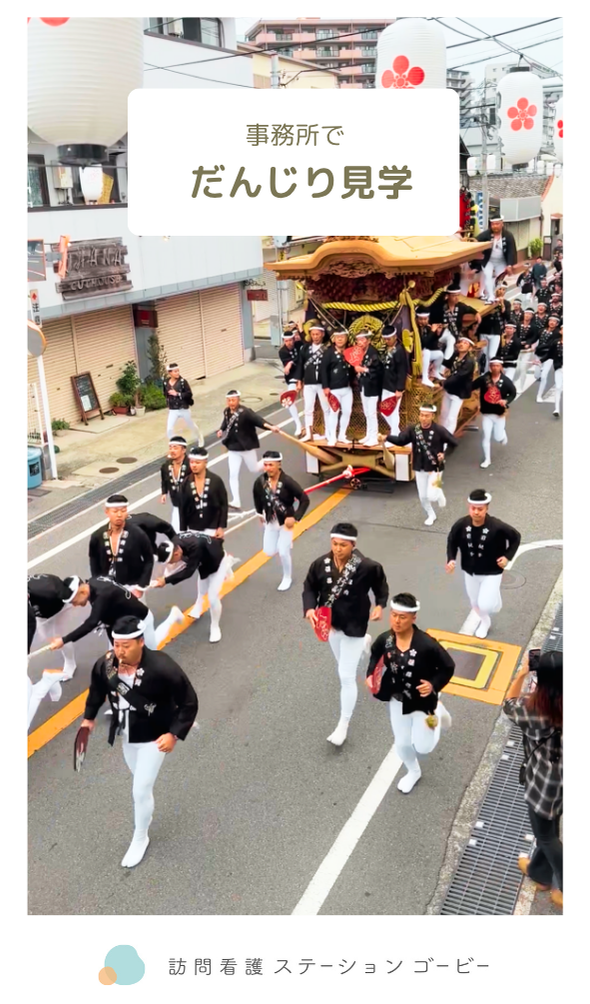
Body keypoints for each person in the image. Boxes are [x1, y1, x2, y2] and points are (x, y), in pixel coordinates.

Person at [79, 615, 198, 868]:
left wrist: (173, 734)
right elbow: (96, 692)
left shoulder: (163, 667)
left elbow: (189, 702)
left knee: (139, 790)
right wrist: (88, 719)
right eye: (116, 644)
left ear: (141, 642)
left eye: (126, 645)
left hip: (155, 736)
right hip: (126, 734)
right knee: (140, 784)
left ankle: (140, 837)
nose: (119, 651)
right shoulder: (106, 665)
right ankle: (145, 809)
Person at [302, 522, 388, 747]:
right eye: (334, 543)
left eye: (343, 545)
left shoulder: (368, 566)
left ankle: (343, 725)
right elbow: (309, 587)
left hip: (355, 626)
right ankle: (364, 647)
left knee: (346, 676)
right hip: (330, 625)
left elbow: (380, 587)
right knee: (342, 664)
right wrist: (310, 608)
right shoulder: (320, 564)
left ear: (353, 545)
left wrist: (380, 605)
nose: (337, 548)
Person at [366, 593, 455, 793]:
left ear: (414, 618)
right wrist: (371, 675)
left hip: (422, 701)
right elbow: (375, 657)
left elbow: (448, 666)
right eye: (394, 615)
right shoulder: (386, 640)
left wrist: (433, 685)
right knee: (403, 743)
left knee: (424, 747)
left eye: (402, 617)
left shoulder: (427, 644)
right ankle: (413, 771)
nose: (396, 621)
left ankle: (438, 713)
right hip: (397, 699)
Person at [503, 650, 562, 908]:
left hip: (544, 783)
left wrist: (522, 673)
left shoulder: (535, 710)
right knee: (548, 828)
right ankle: (540, 872)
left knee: (546, 834)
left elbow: (508, 702)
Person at [446, 489, 521, 638]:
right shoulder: (461, 524)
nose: (476, 512)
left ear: (487, 508)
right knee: (475, 603)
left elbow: (516, 537)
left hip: (492, 571)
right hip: (470, 571)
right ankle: (485, 620)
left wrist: (507, 557)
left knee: (485, 605)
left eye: (480, 509)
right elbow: (452, 540)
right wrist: (451, 559)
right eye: (473, 508)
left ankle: (488, 612)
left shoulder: (497, 526)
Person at [49, 577, 184, 652]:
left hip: (141, 620)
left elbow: (91, 623)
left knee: (151, 651)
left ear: (83, 593)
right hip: (121, 623)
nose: (75, 605)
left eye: (74, 601)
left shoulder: (102, 595)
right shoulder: (93, 582)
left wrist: (63, 640)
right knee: (118, 655)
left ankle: (172, 617)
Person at [383, 404, 457, 526]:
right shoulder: (414, 429)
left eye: (427, 416)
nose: (423, 418)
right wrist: (387, 437)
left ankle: (438, 492)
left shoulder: (439, 430)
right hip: (419, 466)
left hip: (436, 467)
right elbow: (401, 441)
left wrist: (444, 454)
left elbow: (454, 442)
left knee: (432, 495)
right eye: (422, 415)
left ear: (432, 416)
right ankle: (431, 514)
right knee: (423, 496)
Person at [153, 532, 231, 643]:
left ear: (176, 554)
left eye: (171, 562)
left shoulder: (195, 548)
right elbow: (179, 566)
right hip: (203, 561)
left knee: (213, 598)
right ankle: (198, 605)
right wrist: (164, 577)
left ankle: (215, 626)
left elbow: (188, 572)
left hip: (217, 562)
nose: (171, 564)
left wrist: (166, 580)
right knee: (203, 584)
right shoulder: (175, 543)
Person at [253, 449, 310, 591]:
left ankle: (287, 577)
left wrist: (295, 517)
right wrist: (259, 513)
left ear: (279, 464)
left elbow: (304, 499)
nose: (268, 468)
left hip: (286, 521)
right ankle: (285, 543)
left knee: (283, 551)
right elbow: (257, 497)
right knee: (269, 551)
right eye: (265, 465)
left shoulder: (287, 482)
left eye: (271, 465)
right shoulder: (260, 481)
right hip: (271, 521)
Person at [217, 390, 279, 510]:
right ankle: (236, 500)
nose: (231, 403)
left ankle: (268, 460)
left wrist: (271, 427)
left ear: (238, 400)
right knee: (233, 474)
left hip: (246, 447)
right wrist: (221, 430)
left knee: (254, 469)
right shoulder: (226, 412)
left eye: (233, 400)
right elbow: (225, 423)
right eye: (229, 400)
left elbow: (259, 421)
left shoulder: (246, 412)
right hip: (233, 448)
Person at [89, 495, 154, 597]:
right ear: (107, 512)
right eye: (115, 511)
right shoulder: (98, 535)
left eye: (123, 511)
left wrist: (141, 586)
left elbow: (149, 559)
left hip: (132, 585)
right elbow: (94, 560)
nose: (119, 515)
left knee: (137, 612)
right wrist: (96, 584)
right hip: (108, 586)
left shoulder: (138, 534)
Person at [27, 573, 81, 678]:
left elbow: (30, 623)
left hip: (58, 606)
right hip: (41, 608)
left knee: (59, 637)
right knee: (46, 636)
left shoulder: (47, 591)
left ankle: (70, 663)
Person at [471, 358, 517, 469]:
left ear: (501, 367)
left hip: (499, 414)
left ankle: (502, 435)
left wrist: (506, 401)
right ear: (490, 366)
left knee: (497, 437)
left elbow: (513, 393)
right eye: (492, 365)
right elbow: (472, 386)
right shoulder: (484, 379)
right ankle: (487, 459)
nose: (494, 368)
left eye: (497, 366)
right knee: (486, 436)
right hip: (487, 413)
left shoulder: (506, 381)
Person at [178, 446, 228, 538]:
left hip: (212, 528)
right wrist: (183, 530)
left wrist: (221, 527)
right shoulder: (185, 484)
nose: (194, 465)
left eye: (197, 462)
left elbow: (223, 505)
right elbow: (182, 508)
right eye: (192, 462)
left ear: (205, 462)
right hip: (193, 528)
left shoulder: (216, 481)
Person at [294, 322, 331, 442]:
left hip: (322, 383)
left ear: (322, 334)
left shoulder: (327, 349)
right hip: (309, 382)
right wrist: (299, 381)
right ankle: (309, 433)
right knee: (308, 409)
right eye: (313, 334)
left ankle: (328, 432)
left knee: (326, 408)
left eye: (317, 334)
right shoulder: (305, 348)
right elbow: (300, 365)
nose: (315, 336)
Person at [320, 331, 355, 446]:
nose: (340, 339)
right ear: (334, 339)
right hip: (333, 389)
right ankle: (332, 437)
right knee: (334, 412)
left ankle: (342, 435)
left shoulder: (350, 351)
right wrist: (325, 386)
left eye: (342, 337)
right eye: (337, 337)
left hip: (347, 388)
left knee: (347, 411)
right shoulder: (328, 352)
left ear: (346, 338)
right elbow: (323, 370)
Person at [474, 217, 517, 302]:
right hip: (488, 260)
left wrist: (510, 265)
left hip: (502, 261)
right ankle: (490, 296)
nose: (495, 226)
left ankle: (490, 294)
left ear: (502, 224)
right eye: (493, 224)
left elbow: (511, 251)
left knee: (497, 280)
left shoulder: (508, 235)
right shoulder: (486, 234)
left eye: (497, 224)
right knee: (487, 275)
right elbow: (476, 240)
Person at [439, 335, 476, 434]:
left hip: (459, 391)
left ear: (470, 348)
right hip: (449, 388)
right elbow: (448, 363)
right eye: (460, 342)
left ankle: (447, 438)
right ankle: (440, 434)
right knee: (443, 414)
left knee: (451, 417)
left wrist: (443, 383)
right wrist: (438, 359)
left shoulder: (469, 362)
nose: (461, 345)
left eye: (465, 343)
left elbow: (458, 376)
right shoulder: (456, 355)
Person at [353, 330, 383, 446]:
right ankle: (369, 434)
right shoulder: (361, 353)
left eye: (362, 340)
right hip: (364, 385)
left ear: (368, 341)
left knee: (371, 413)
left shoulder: (373, 353)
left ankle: (374, 437)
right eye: (358, 340)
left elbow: (378, 371)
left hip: (373, 386)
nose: (360, 342)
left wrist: (364, 370)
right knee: (366, 412)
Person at [379, 324, 409, 437]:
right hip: (386, 384)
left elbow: (402, 370)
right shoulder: (386, 349)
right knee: (384, 411)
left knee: (393, 411)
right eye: (385, 339)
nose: (387, 341)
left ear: (395, 337)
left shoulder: (399, 350)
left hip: (394, 386)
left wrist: (399, 389)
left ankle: (395, 435)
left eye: (389, 339)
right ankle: (396, 431)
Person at [164, 363, 203, 444]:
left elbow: (189, 394)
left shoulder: (183, 382)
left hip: (183, 408)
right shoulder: (165, 382)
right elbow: (165, 393)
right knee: (169, 429)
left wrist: (177, 394)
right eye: (175, 371)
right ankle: (174, 444)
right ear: (170, 372)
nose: (177, 373)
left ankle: (199, 437)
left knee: (191, 425)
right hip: (173, 409)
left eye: (178, 371)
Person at [160, 435, 190, 533]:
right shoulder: (166, 465)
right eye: (170, 448)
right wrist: (164, 493)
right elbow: (164, 479)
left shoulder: (191, 464)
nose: (172, 450)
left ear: (183, 450)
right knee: (176, 531)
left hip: (192, 504)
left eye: (175, 448)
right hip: (177, 502)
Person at [278, 328, 303, 437]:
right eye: (286, 341)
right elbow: (287, 365)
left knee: (309, 401)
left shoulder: (299, 344)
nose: (288, 343)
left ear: (294, 339)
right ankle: (298, 424)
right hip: (292, 377)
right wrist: (289, 364)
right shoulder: (282, 351)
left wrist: (291, 362)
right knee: (289, 401)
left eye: (290, 340)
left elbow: (301, 359)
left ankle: (311, 425)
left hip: (304, 374)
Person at [536, 315, 561, 404]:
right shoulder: (542, 330)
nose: (552, 322)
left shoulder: (557, 333)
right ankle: (540, 370)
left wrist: (541, 347)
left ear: (557, 323)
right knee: (536, 375)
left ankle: (539, 395)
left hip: (548, 356)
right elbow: (535, 339)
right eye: (551, 320)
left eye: (554, 321)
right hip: (538, 354)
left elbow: (551, 344)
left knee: (543, 376)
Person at [416, 308, 444, 387]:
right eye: (421, 319)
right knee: (427, 352)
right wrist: (432, 331)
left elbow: (431, 344)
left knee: (439, 354)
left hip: (424, 352)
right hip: (416, 353)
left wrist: (437, 333)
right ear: (417, 319)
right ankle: (424, 378)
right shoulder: (415, 328)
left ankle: (435, 372)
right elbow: (424, 343)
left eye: (425, 319)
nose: (423, 321)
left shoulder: (427, 327)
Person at [498, 321, 522, 387]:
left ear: (514, 330)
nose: (508, 330)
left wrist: (502, 358)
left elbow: (515, 356)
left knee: (507, 381)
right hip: (500, 364)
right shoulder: (501, 339)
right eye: (507, 328)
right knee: (499, 383)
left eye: (510, 328)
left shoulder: (517, 341)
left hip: (511, 364)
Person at [547, 328, 563, 419]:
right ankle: (556, 409)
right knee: (558, 387)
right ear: (560, 332)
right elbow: (550, 354)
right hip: (559, 367)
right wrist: (540, 361)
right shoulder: (556, 342)